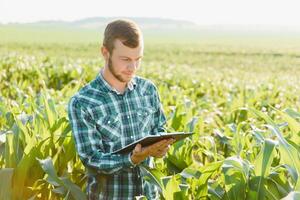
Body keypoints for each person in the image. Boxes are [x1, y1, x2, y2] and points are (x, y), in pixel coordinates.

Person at [68, 19, 174, 200]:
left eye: (137, 59)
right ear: (105, 52)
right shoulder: (83, 102)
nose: (132, 68)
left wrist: (161, 147)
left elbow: (159, 129)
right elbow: (92, 160)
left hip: (149, 196)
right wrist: (132, 159)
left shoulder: (148, 90)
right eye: (125, 59)